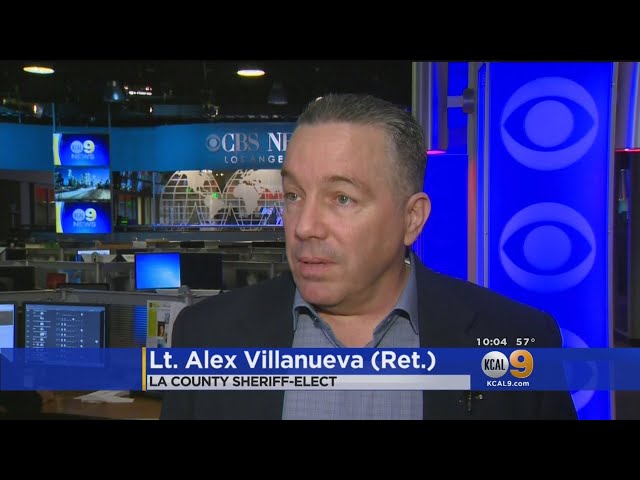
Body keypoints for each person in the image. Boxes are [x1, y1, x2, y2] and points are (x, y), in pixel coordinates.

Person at [160, 93, 578, 420]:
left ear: (412, 219)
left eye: (342, 198)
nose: (305, 227)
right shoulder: (206, 336)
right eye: (294, 195)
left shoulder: (519, 340)